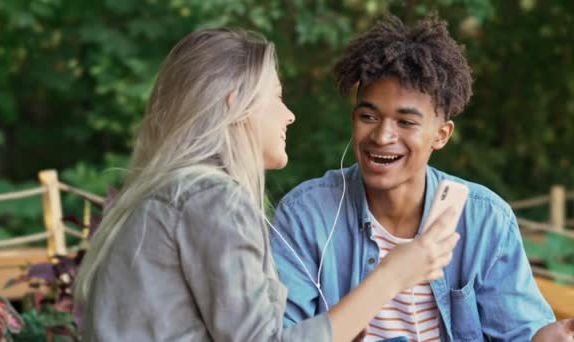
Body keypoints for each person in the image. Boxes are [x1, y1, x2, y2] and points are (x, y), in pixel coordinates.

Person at [73, 28, 461, 341]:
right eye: (276, 97)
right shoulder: (213, 200)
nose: (289, 115)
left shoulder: (170, 193)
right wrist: (392, 276)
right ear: (234, 105)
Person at [270, 14, 556, 342]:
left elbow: (522, 332)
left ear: (441, 134)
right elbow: (283, 335)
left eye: (406, 122)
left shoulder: (485, 219)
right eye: (368, 116)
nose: (381, 136)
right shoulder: (305, 215)